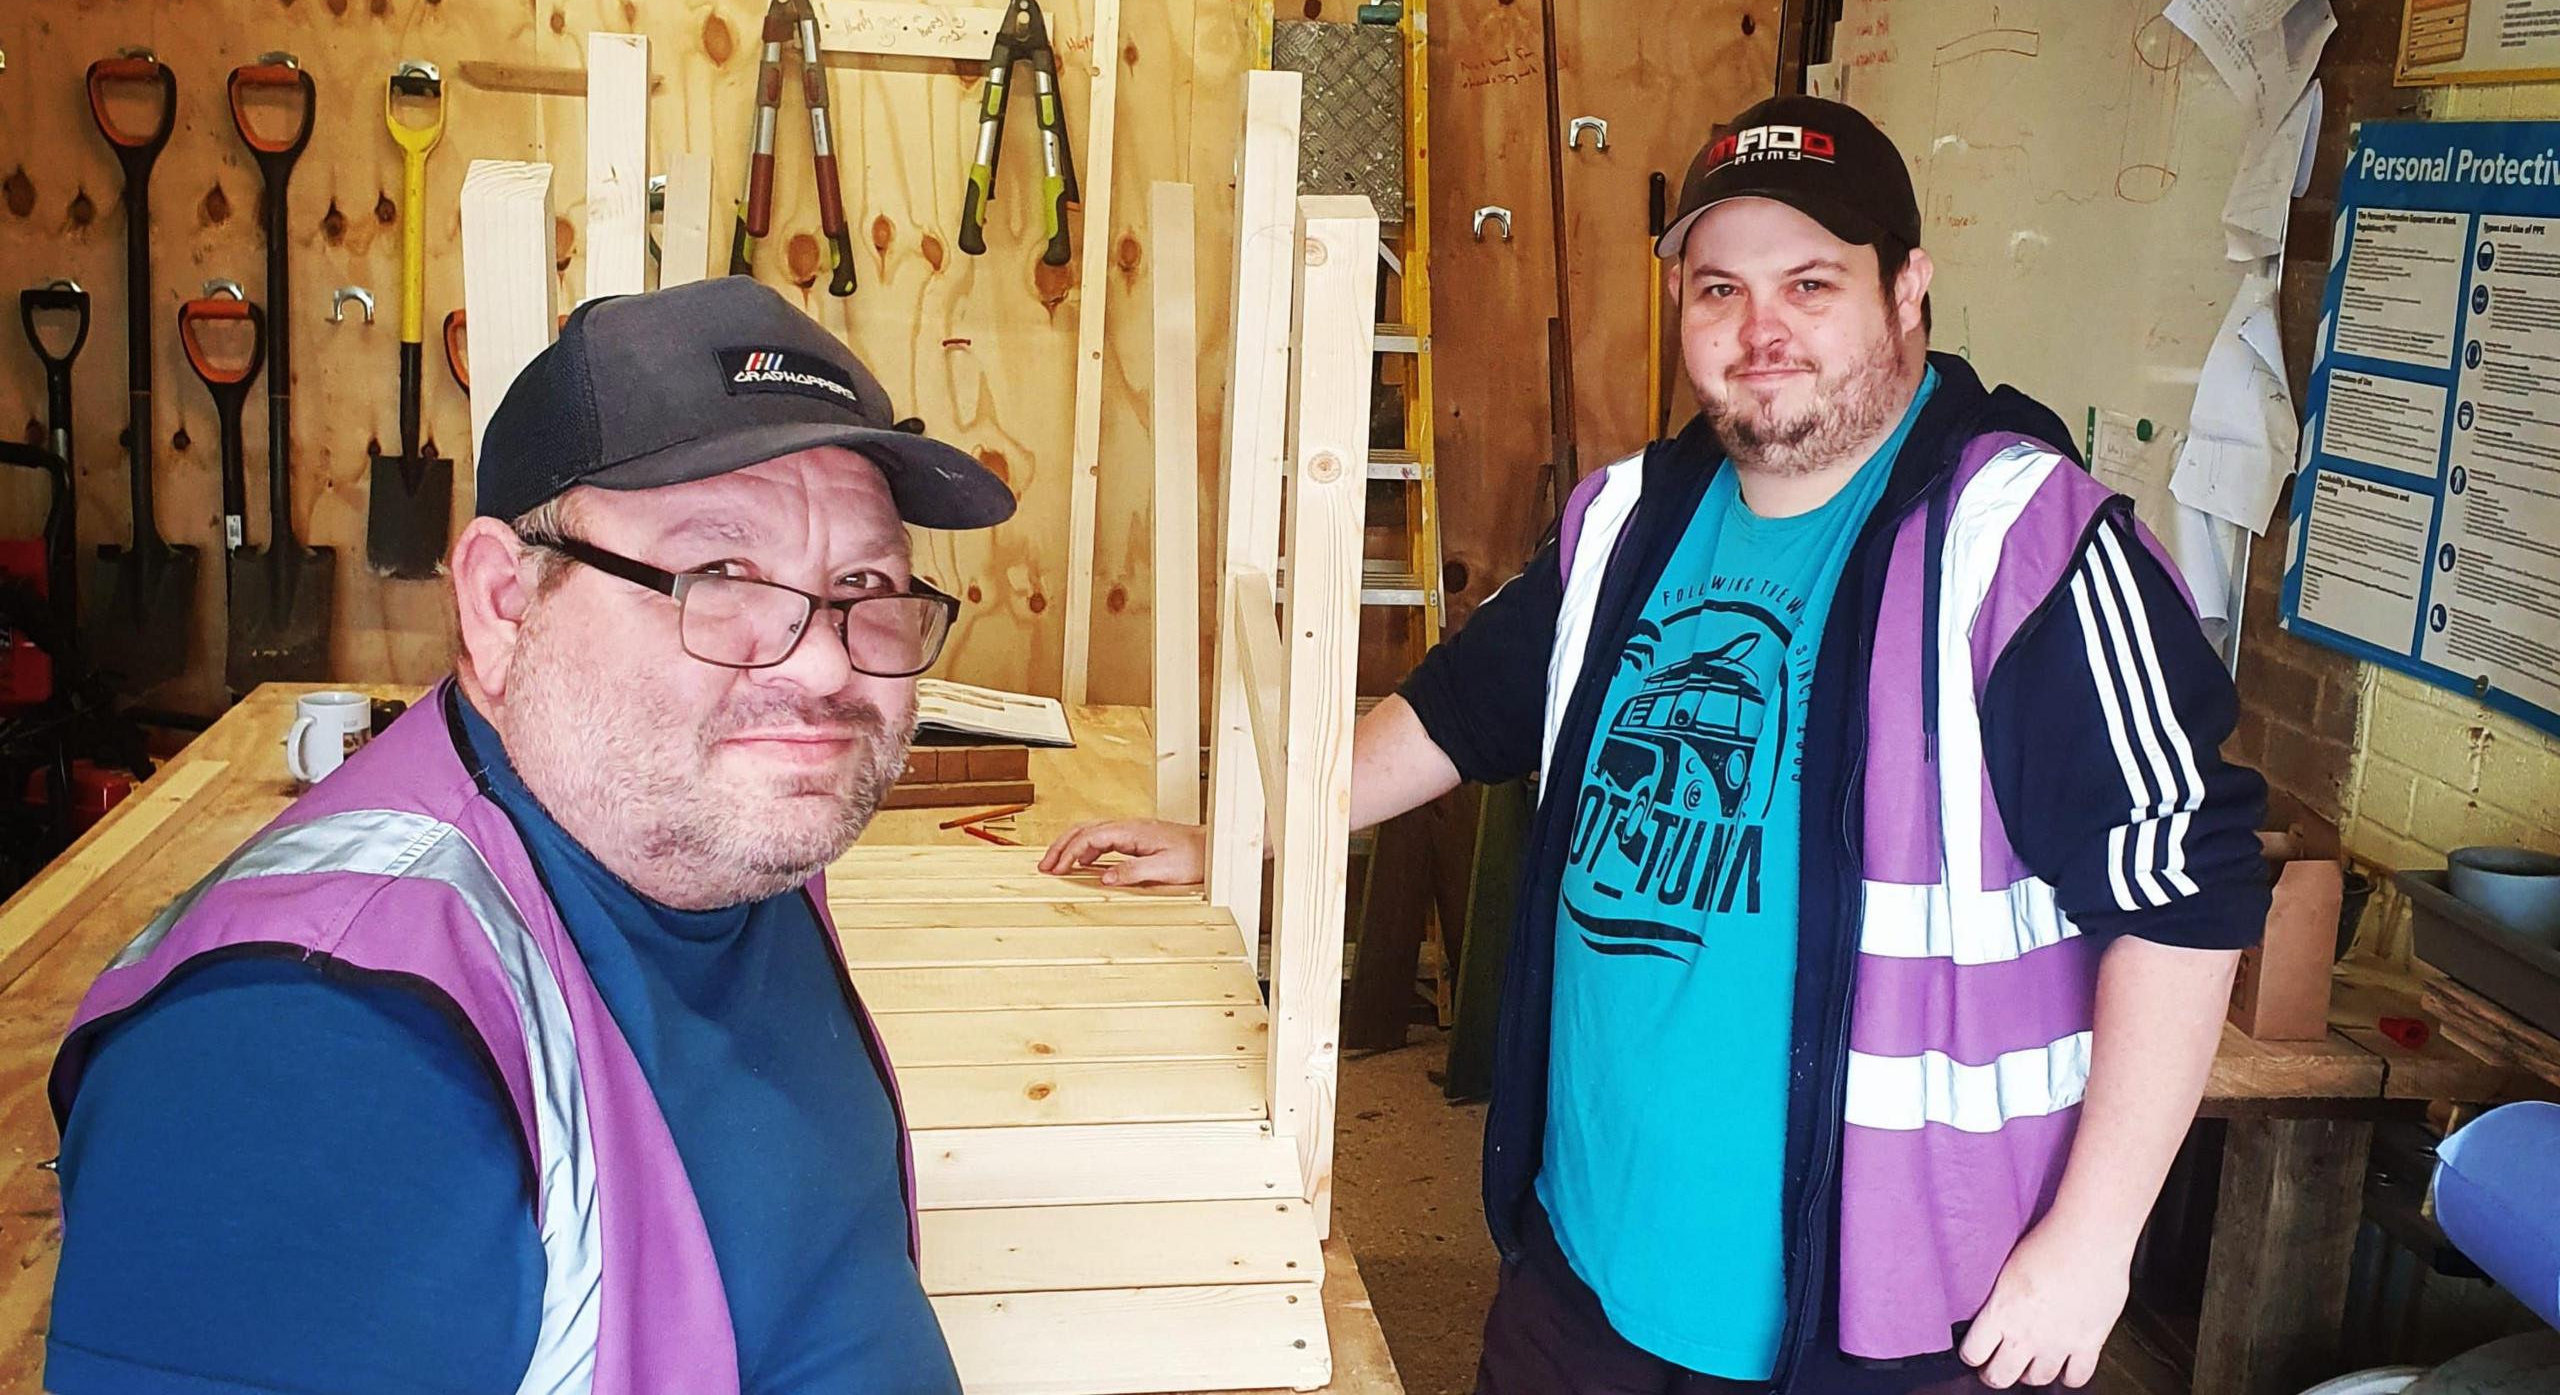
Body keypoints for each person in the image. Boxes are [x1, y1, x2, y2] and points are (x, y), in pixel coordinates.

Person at [1043, 96, 2270, 1393]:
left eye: (1811, 282)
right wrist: (1235, 837)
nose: (1759, 332)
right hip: (1585, 1269)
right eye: (1718, 288)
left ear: (1908, 291)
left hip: (1891, 1317)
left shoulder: (2025, 548)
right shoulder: (1629, 521)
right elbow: (1455, 717)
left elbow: (2188, 896)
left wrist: (2093, 1242)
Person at [44, 277, 1015, 1395]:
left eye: (862, 583)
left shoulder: (695, 831)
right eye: (722, 575)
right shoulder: (305, 1054)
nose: (821, 665)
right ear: (505, 603)